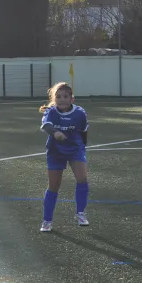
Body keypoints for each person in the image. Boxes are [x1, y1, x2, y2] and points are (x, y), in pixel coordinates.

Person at [38, 82, 90, 232]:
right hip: (56, 151)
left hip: (75, 149)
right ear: (54, 99)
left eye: (65, 96)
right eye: (58, 96)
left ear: (71, 99)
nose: (62, 99)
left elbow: (84, 131)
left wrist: (82, 147)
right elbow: (46, 125)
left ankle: (80, 214)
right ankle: (47, 221)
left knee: (82, 178)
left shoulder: (80, 113)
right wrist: (56, 133)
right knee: (54, 186)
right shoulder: (51, 111)